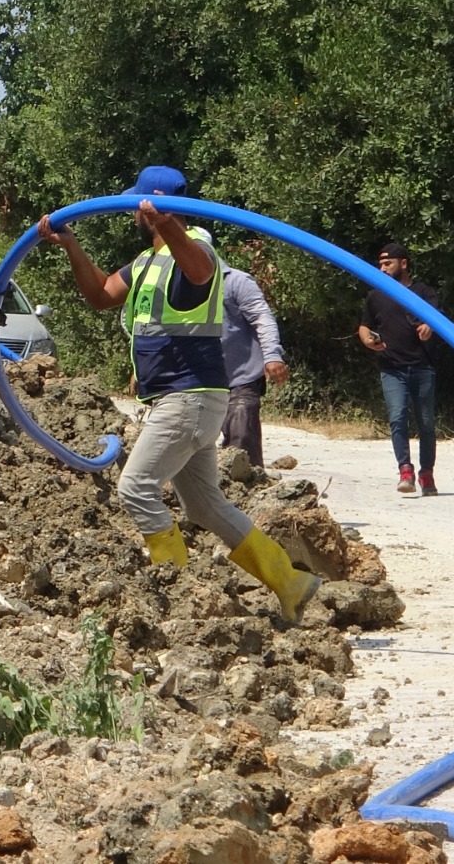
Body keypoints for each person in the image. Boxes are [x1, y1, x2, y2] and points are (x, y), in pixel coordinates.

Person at [36, 165, 321, 623]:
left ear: (152, 204)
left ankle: (177, 597)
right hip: (185, 398)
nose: (131, 211)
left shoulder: (195, 250)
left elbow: (201, 271)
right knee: (204, 505)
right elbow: (102, 294)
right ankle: (291, 582)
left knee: (135, 487)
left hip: (188, 397)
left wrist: (168, 223)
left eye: (137, 203)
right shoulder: (147, 262)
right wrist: (72, 246)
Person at [357, 242, 441, 495]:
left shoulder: (423, 292)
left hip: (422, 367)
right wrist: (367, 340)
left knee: (426, 424)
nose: (382, 269)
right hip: (391, 368)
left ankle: (427, 474)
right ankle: (405, 471)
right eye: (380, 264)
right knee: (397, 418)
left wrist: (429, 325)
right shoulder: (375, 296)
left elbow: (437, 317)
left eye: (388, 264)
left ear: (403, 264)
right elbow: (364, 325)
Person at [219, 262, 288, 467]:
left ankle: (250, 481)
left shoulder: (236, 281)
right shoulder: (178, 282)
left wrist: (272, 355)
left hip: (241, 375)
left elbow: (261, 317)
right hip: (197, 379)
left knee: (241, 438)